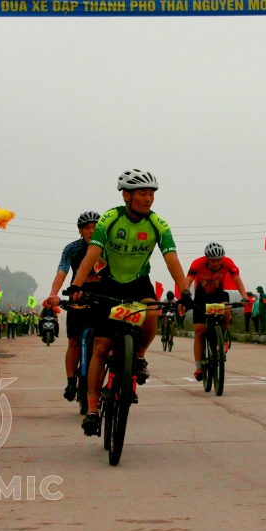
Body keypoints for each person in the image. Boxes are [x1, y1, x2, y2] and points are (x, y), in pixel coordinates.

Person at [65, 170, 191, 438]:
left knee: (152, 311)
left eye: (152, 193)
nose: (148, 199)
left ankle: (140, 356)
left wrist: (185, 291)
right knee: (100, 347)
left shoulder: (159, 224)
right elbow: (93, 252)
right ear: (126, 195)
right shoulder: (110, 219)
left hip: (137, 282)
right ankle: (91, 411)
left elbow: (171, 258)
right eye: (143, 193)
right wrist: (77, 285)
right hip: (109, 282)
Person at [43, 211, 104, 402]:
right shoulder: (72, 249)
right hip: (77, 300)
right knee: (75, 341)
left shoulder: (108, 248)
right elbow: (62, 271)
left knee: (105, 342)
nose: (92, 231)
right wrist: (54, 293)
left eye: (95, 227)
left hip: (102, 299)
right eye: (87, 228)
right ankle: (71, 381)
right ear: (80, 231)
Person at [185, 242, 248, 378]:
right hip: (201, 297)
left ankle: (222, 336)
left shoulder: (228, 262)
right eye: (213, 260)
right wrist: (185, 294)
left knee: (226, 310)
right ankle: (198, 368)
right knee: (200, 331)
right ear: (207, 258)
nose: (216, 263)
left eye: (219, 260)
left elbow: (237, 279)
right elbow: (188, 280)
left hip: (218, 295)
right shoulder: (197, 263)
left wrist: (244, 297)